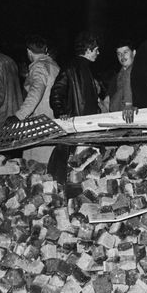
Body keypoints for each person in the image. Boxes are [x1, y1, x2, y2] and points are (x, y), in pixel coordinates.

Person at [48, 31, 100, 182]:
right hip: (77, 126)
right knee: (75, 165)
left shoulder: (84, 67)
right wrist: (61, 112)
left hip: (85, 125)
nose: (98, 53)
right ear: (89, 50)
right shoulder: (72, 67)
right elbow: (56, 92)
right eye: (96, 50)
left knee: (81, 164)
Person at [7, 35, 60, 164]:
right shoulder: (54, 65)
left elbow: (36, 91)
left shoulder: (39, 66)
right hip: (52, 119)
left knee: (36, 164)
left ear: (29, 51)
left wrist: (19, 116)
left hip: (40, 122)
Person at [106, 40, 137, 122]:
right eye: (119, 54)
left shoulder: (140, 71)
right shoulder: (117, 77)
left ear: (134, 53)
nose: (122, 56)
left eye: (125, 52)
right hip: (118, 120)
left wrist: (129, 104)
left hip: (135, 119)